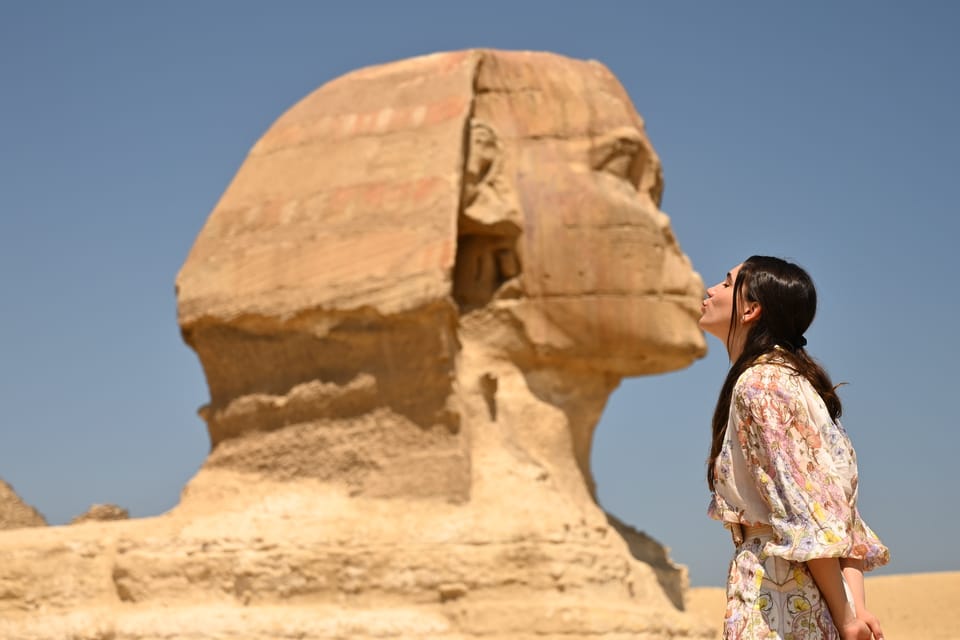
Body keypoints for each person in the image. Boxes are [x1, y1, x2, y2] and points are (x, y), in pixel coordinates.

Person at [700, 256, 890, 640]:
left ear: (751, 309)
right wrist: (853, 609)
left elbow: (806, 510)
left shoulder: (760, 384)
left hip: (776, 596)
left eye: (725, 283)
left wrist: (847, 615)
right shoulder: (795, 380)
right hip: (811, 597)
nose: (710, 290)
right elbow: (839, 511)